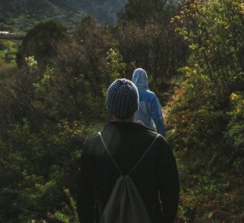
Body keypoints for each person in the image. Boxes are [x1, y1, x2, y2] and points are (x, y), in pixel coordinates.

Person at [77, 78, 180, 222]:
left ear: (109, 107)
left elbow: (84, 199)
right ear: (136, 106)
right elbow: (171, 194)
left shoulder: (93, 145)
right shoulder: (157, 145)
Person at [131, 68, 166, 135]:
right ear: (146, 79)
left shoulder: (129, 95)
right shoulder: (150, 96)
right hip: (149, 133)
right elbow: (158, 117)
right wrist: (162, 134)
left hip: (132, 133)